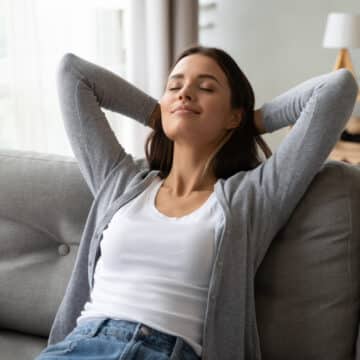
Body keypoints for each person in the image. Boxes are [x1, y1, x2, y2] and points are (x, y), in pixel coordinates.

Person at [35, 45, 358, 360]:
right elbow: (72, 74)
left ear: (233, 115)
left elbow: (337, 88)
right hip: (79, 346)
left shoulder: (253, 197)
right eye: (174, 86)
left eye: (205, 88)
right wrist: (158, 113)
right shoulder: (119, 182)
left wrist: (251, 122)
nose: (185, 93)